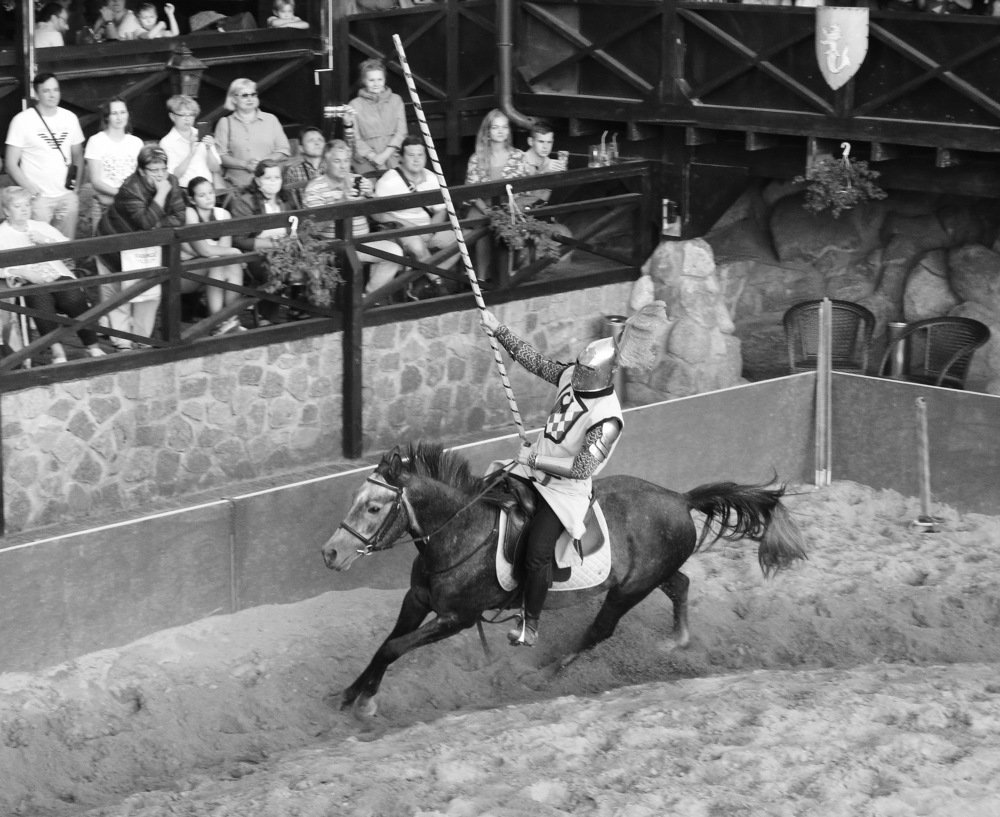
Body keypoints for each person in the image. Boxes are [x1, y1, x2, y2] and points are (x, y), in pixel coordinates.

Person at [478, 306, 666, 647]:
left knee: (537, 552)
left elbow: (582, 468)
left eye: (584, 373)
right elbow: (537, 362)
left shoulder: (608, 417)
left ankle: (530, 623)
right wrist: (499, 330)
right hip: (530, 467)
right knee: (484, 491)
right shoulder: (572, 377)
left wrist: (535, 458)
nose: (576, 376)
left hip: (564, 492)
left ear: (603, 375)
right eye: (577, 369)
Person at [0, 187, 105, 363]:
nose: (25, 209)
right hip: (26, 281)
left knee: (72, 297)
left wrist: (46, 241)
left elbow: (69, 249)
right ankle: (57, 351)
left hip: (55, 273)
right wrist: (21, 271)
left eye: (27, 204)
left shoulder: (41, 227)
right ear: (6, 211)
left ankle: (93, 346)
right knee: (41, 299)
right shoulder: (2, 234)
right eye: (18, 206)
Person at [97, 145, 186, 350]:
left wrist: (156, 224)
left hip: (148, 249)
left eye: (163, 169)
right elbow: (145, 223)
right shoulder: (130, 188)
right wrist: (162, 194)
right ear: (141, 170)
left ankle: (143, 339)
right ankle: (122, 341)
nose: (160, 175)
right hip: (114, 244)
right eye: (154, 171)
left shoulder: (172, 181)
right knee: (118, 295)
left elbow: (180, 216)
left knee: (149, 295)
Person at [303, 139, 402, 302]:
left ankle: (367, 299)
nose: (343, 166)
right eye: (337, 161)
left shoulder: (358, 180)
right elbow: (314, 228)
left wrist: (371, 197)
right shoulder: (315, 188)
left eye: (346, 160)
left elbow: (379, 217)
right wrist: (342, 203)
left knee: (395, 252)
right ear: (325, 162)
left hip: (362, 242)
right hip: (333, 246)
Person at [372, 134, 455, 298]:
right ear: (401, 158)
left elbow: (440, 210)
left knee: (462, 239)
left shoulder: (431, 177)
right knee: (417, 247)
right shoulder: (389, 181)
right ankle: (437, 282)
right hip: (401, 231)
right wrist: (408, 227)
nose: (416, 160)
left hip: (429, 227)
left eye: (420, 155)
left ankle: (420, 279)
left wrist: (430, 230)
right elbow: (378, 214)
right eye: (411, 155)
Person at [5, 73, 84, 240]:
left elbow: (78, 155)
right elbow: (11, 163)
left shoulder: (70, 118)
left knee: (66, 245)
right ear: (36, 93)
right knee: (40, 245)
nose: (52, 94)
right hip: (38, 197)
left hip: (66, 194)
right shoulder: (22, 121)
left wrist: (76, 188)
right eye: (46, 91)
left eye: (55, 90)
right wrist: (28, 187)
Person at [229, 159, 292, 324]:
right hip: (255, 254)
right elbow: (240, 241)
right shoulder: (244, 202)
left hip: (287, 250)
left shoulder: (286, 200)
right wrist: (273, 245)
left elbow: (297, 225)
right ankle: (266, 317)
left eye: (277, 177)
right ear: (257, 180)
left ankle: (303, 310)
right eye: (268, 178)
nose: (273, 182)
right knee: (274, 269)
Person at [464, 109, 526, 276]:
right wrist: (488, 212)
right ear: (487, 131)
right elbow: (471, 191)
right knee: (484, 228)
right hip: (482, 208)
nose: (500, 131)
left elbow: (522, 189)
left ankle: (508, 275)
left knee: (509, 225)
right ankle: (482, 278)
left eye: (504, 127)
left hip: (509, 207)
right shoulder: (476, 158)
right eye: (495, 127)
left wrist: (507, 211)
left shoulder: (518, 156)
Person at [181, 177, 246, 335]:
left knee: (230, 264)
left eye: (211, 192)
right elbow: (196, 250)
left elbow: (223, 249)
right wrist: (234, 252)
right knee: (219, 262)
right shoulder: (189, 214)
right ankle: (217, 322)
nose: (209, 197)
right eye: (202, 195)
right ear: (192, 199)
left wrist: (225, 253)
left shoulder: (223, 214)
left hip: (213, 266)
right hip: (185, 273)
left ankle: (229, 319)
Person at [215, 78, 291, 189]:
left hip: (270, 183)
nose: (250, 99)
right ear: (234, 99)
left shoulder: (271, 119)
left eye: (253, 94)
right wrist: (245, 165)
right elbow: (220, 156)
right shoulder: (225, 123)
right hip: (238, 185)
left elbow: (283, 150)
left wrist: (263, 162)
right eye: (244, 95)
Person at [84, 96, 144, 234]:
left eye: (122, 112)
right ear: (107, 117)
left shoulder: (136, 143)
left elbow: (141, 176)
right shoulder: (96, 141)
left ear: (128, 114)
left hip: (132, 207)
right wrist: (122, 195)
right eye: (114, 113)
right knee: (104, 250)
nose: (119, 117)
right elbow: (96, 181)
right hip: (105, 205)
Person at [348, 58, 407, 176]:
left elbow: (402, 132)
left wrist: (384, 155)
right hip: (366, 159)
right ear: (364, 81)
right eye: (371, 80)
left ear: (384, 80)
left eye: (380, 79)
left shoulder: (396, 100)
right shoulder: (354, 104)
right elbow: (355, 138)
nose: (376, 84)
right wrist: (373, 157)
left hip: (393, 155)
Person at [160, 95, 222, 189]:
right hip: (185, 191)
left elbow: (216, 169)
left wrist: (209, 149)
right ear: (172, 116)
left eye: (191, 115)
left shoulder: (202, 134)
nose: (187, 119)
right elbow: (173, 176)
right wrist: (190, 154)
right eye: (183, 115)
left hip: (208, 189)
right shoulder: (167, 142)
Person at [518, 119, 569, 208]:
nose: (545, 147)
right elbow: (519, 194)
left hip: (541, 210)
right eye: (541, 142)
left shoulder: (549, 162)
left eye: (549, 142)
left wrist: (561, 175)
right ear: (530, 141)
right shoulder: (519, 160)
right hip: (519, 211)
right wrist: (545, 172)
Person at [283, 126, 326, 209]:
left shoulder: (331, 166)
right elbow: (290, 202)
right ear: (301, 148)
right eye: (311, 140)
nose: (317, 143)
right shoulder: (293, 170)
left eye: (320, 140)